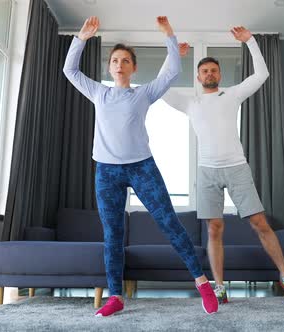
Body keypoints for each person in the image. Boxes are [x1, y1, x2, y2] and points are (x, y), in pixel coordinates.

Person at [63, 16, 218, 317]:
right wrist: (80, 38)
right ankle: (116, 296)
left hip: (141, 167)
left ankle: (203, 283)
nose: (120, 65)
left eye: (126, 61)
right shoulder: (98, 92)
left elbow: (172, 70)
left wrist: (169, 35)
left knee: (169, 223)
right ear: (110, 67)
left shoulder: (143, 93)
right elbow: (70, 70)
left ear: (133, 67)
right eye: (115, 60)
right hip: (107, 172)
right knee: (112, 234)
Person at [157, 26, 284, 305]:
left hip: (237, 167)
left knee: (260, 223)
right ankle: (220, 287)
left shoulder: (233, 94)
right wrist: (173, 55)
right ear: (198, 77)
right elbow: (161, 88)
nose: (209, 74)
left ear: (219, 75)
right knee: (214, 229)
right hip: (207, 171)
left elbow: (262, 74)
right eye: (204, 71)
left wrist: (250, 42)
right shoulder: (190, 102)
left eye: (214, 70)